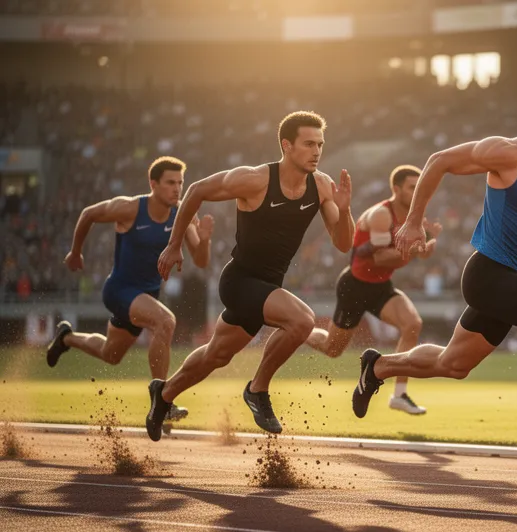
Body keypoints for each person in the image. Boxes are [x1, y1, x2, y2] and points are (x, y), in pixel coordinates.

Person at [351, 78, 517, 465]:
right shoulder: (509, 153)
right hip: (488, 274)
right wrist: (412, 222)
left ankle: (378, 367)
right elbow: (438, 161)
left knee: (453, 364)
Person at [144, 111, 354, 441]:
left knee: (217, 355)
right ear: (287, 146)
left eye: (321, 144)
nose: (317, 151)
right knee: (302, 321)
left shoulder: (322, 186)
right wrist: (173, 246)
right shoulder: (256, 180)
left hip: (268, 288)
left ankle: (164, 394)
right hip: (239, 282)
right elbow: (197, 190)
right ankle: (257, 390)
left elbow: (343, 243)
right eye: (309, 144)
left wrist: (344, 210)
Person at [47, 156, 213, 426]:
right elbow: (89, 213)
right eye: (170, 183)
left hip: (146, 296)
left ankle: (66, 338)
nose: (177, 189)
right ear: (153, 184)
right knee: (166, 321)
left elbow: (201, 260)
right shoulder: (130, 208)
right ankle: (162, 400)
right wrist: (75, 252)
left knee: (111, 354)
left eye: (180, 183)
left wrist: (204, 240)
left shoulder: (181, 213)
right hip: (120, 290)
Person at [305, 164, 443, 415]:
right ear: (396, 188)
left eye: (419, 187)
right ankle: (301, 330)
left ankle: (399, 395)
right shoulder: (382, 215)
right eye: (412, 187)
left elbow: (409, 255)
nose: (416, 193)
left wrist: (424, 250)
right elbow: (380, 258)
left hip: (380, 286)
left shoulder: (412, 218)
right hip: (354, 287)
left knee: (412, 324)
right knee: (332, 349)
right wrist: (414, 250)